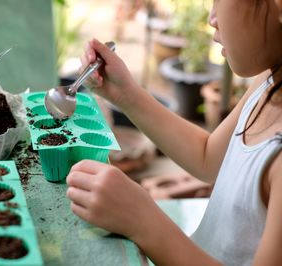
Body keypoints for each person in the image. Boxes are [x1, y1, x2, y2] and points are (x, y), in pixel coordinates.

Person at [66, 0, 282, 264]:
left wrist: (142, 221)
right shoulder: (270, 80)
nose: (212, 17)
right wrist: (125, 94)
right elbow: (207, 158)